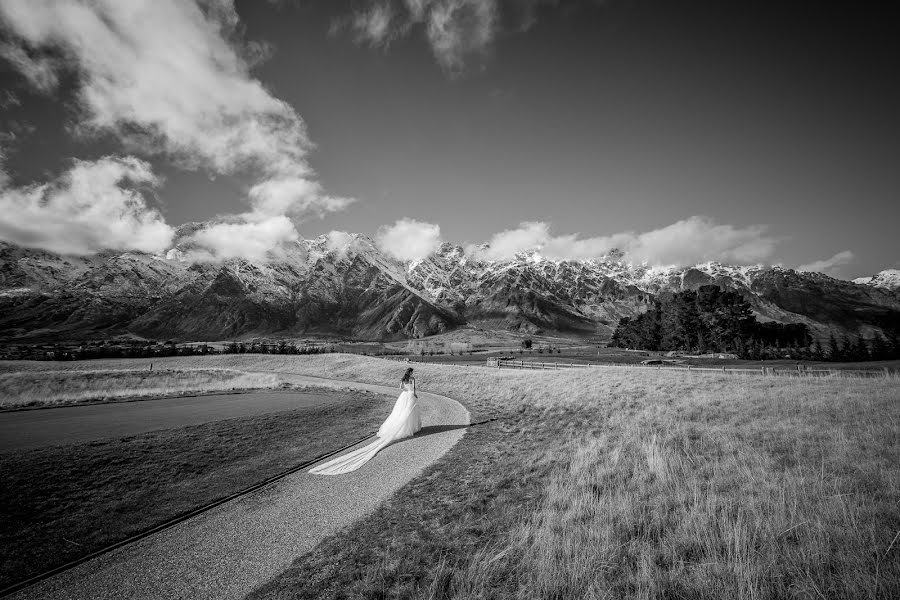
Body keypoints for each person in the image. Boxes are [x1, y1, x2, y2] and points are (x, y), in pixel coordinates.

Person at [309, 368, 422, 475]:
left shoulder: (403, 379)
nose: (412, 374)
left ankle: (402, 428)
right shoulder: (413, 379)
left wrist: (406, 391)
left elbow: (401, 388)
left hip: (403, 396)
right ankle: (409, 428)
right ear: (411, 372)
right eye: (412, 372)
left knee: (399, 414)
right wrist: (413, 393)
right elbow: (414, 389)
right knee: (409, 413)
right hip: (410, 396)